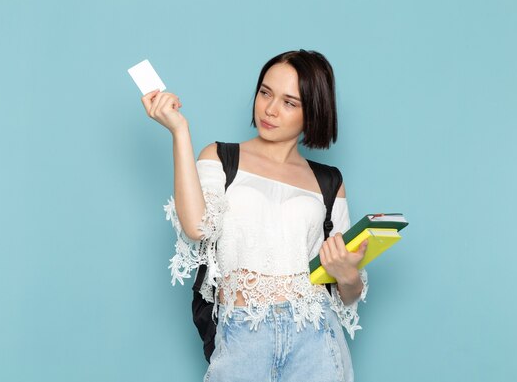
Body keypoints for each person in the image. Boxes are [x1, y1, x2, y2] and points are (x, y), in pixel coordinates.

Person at [141, 50, 369, 382]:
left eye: (290, 102)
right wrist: (179, 131)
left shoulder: (329, 181)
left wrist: (347, 274)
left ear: (313, 111)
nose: (271, 109)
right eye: (265, 92)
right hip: (244, 333)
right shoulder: (221, 156)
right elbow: (196, 227)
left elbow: (346, 292)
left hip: (316, 335)